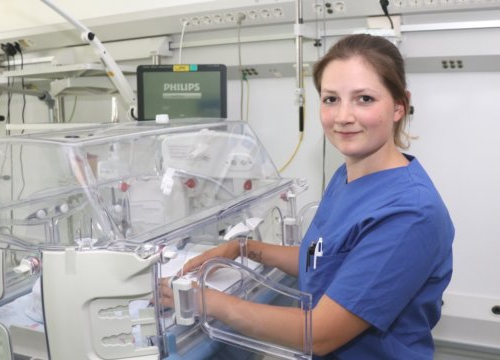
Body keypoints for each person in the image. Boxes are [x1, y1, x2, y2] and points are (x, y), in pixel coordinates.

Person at [159, 33, 454, 359]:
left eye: (364, 99)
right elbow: (322, 258)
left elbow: (320, 333)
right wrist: (243, 248)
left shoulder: (409, 213)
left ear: (400, 105)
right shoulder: (349, 175)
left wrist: (205, 300)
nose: (343, 116)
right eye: (331, 99)